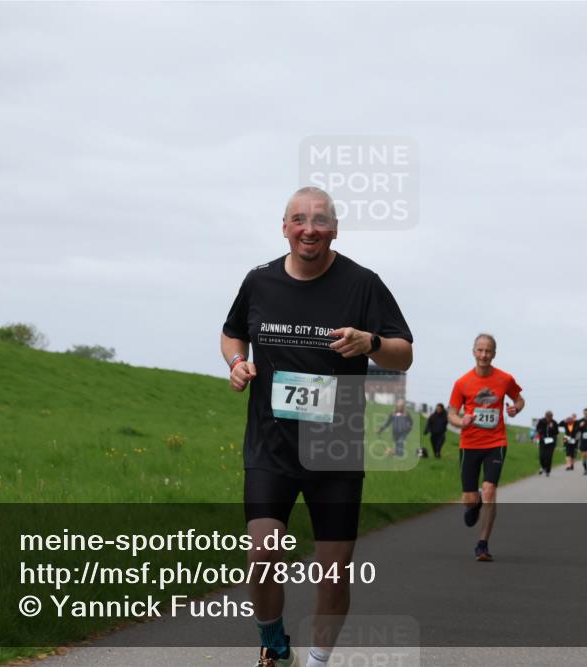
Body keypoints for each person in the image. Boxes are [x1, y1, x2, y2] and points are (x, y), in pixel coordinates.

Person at [221, 186, 413, 667]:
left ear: (334, 229)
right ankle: (273, 641)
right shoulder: (259, 281)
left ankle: (318, 660)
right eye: (300, 219)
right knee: (263, 554)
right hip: (271, 445)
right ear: (284, 227)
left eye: (321, 220)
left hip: (336, 447)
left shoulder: (362, 283)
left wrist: (369, 342)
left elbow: (403, 352)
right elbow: (231, 333)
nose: (310, 229)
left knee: (333, 571)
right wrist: (237, 362)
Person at [446, 333, 525, 561]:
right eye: (480, 350)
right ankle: (474, 503)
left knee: (490, 490)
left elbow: (519, 399)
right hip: (469, 444)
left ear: (494, 354)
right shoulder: (462, 383)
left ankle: (482, 544)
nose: (484, 355)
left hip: (496, 442)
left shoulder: (504, 379)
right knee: (470, 499)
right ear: (473, 352)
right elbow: (451, 414)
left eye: (488, 351)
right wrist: (462, 421)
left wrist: (515, 409)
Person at [534, 410, 560, 476]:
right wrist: (541, 432)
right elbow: (537, 429)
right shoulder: (541, 421)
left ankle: (548, 471)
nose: (549, 418)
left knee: (549, 457)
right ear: (545, 416)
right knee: (542, 456)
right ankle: (543, 467)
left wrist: (552, 428)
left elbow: (556, 432)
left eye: (550, 417)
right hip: (543, 441)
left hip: (551, 442)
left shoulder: (554, 423)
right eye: (547, 417)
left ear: (552, 417)